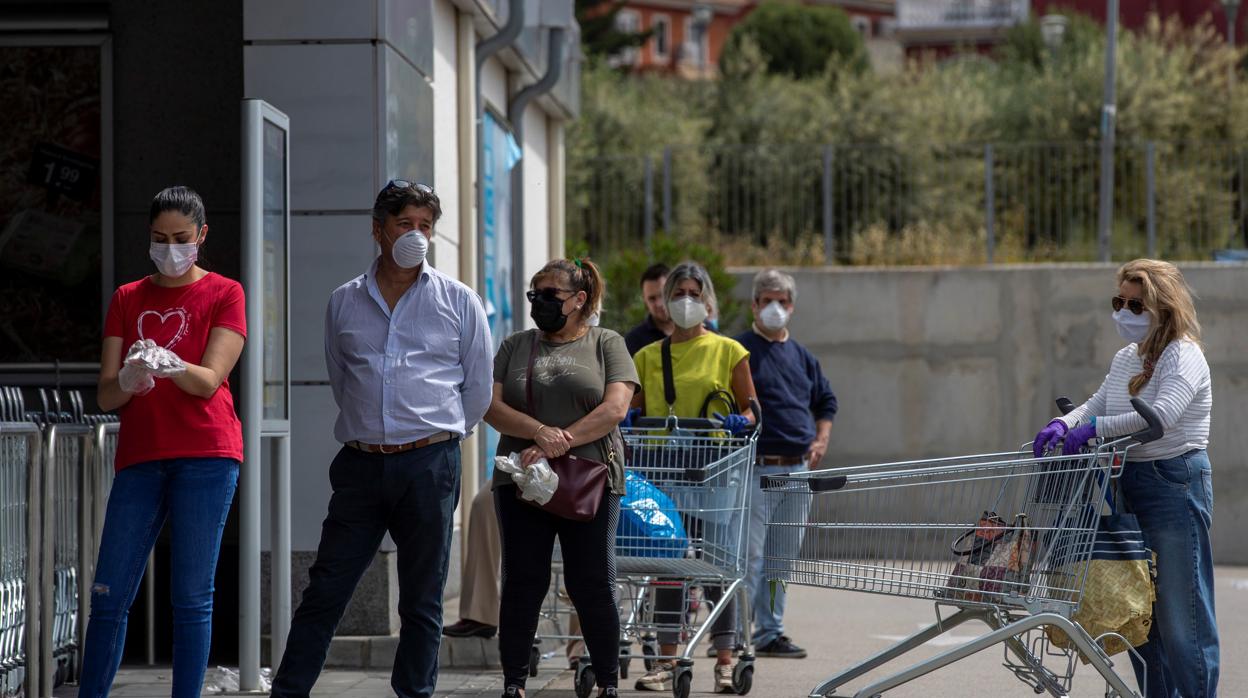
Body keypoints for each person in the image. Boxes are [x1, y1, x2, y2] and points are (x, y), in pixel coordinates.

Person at [270, 181, 493, 698]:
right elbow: (341, 376)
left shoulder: (460, 301)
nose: (416, 236)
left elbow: (477, 391)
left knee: (422, 599)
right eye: (404, 225)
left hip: (429, 463)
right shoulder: (343, 301)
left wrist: (436, 437)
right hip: (361, 465)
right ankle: (288, 691)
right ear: (377, 230)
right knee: (325, 589)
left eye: (425, 227)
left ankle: (413, 693)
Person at [81, 186, 247, 698]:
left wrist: (172, 366)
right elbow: (107, 395)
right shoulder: (128, 297)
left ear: (201, 236)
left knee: (191, 596)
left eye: (180, 238)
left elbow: (211, 377)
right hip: (143, 456)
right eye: (158, 238)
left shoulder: (225, 292)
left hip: (207, 454)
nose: (169, 249)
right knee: (109, 593)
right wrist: (129, 380)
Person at [1032, 259, 1217, 698]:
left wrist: (1093, 431)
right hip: (1129, 482)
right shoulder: (1128, 358)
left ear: (1163, 307)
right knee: (1140, 617)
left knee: (1181, 619)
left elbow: (1164, 416)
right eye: (1119, 301)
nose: (1124, 312)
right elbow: (1099, 403)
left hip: (1173, 483)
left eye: (1137, 304)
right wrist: (1065, 424)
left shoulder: (1183, 355)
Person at [485, 257, 637, 698]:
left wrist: (561, 441)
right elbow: (489, 406)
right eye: (536, 294)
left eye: (551, 294)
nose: (541, 302)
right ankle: (514, 683)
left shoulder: (607, 343)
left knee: (590, 581)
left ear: (579, 299)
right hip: (521, 479)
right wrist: (538, 432)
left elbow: (614, 409)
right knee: (522, 579)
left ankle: (608, 682)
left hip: (588, 480)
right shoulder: (515, 345)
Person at [630, 261, 757, 694]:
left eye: (694, 293)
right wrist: (630, 416)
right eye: (678, 293)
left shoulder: (728, 351)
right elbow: (634, 408)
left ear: (707, 301)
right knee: (669, 568)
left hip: (714, 469)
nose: (686, 301)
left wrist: (743, 421)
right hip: (665, 471)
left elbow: (752, 408)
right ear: (666, 301)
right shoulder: (647, 356)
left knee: (715, 567)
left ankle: (724, 660)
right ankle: (668, 661)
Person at [734, 269, 837, 660]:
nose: (775, 308)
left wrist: (821, 437)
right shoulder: (739, 352)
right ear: (755, 305)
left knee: (780, 560)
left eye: (782, 301)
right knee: (748, 558)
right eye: (767, 301)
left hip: (797, 471)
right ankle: (736, 634)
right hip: (757, 469)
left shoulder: (803, 357)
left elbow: (825, 401)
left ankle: (770, 631)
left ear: (792, 306)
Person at [624, 263, 673, 355]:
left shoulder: (699, 330)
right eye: (652, 298)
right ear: (644, 300)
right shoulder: (633, 341)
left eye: (663, 295)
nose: (659, 304)